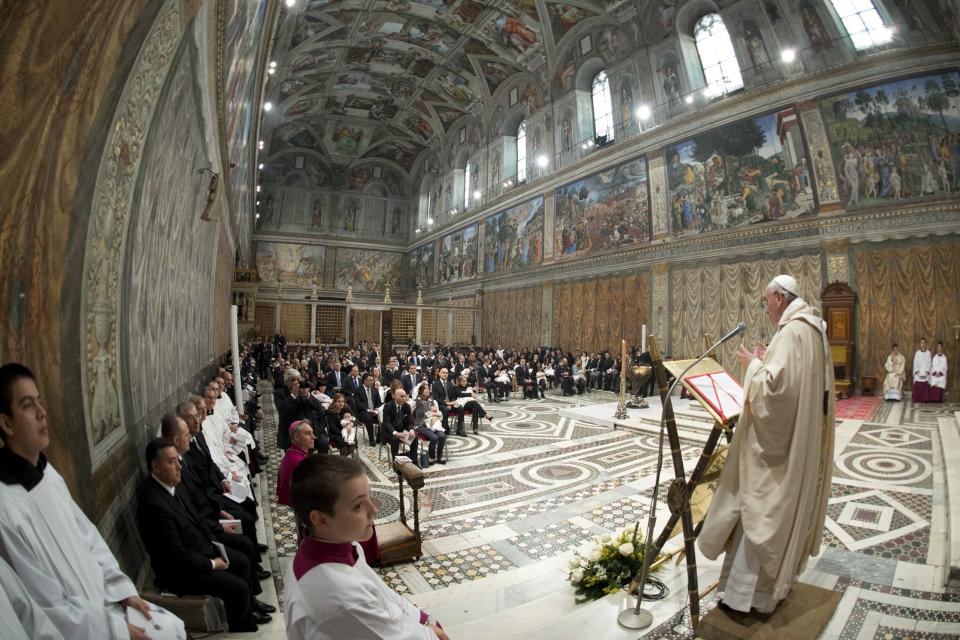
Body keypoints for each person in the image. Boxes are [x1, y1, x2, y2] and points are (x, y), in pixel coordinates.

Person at [0, 363, 175, 640]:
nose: (42, 413)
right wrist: (114, 630)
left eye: (40, 402)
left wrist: (122, 590)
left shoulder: (48, 474)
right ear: (6, 423)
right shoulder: (6, 509)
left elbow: (88, 537)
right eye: (27, 405)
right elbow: (45, 606)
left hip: (107, 611)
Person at [698, 275, 835, 614]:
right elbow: (792, 382)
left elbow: (774, 394)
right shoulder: (812, 330)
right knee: (771, 513)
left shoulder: (793, 332)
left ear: (778, 298)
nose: (764, 308)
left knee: (758, 513)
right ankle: (768, 591)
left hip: (776, 452)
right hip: (795, 442)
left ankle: (745, 598)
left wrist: (753, 364)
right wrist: (766, 361)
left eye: (765, 301)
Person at [284, 456, 447, 639]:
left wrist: (423, 619)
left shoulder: (343, 545)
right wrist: (430, 633)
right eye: (358, 505)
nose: (374, 509)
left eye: (369, 497)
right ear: (321, 519)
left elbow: (384, 596)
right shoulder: (338, 593)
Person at [137, 438, 271, 632]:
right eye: (171, 462)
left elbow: (195, 517)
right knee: (238, 586)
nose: (178, 467)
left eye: (178, 460)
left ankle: (248, 607)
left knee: (241, 560)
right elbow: (176, 556)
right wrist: (213, 563)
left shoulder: (173, 485)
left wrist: (215, 536)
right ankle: (240, 626)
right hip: (180, 572)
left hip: (199, 547)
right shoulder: (153, 504)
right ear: (156, 467)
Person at [275, 368, 326, 450]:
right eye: (293, 380)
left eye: (298, 380)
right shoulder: (279, 393)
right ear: (286, 382)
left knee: (323, 443)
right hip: (291, 430)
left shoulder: (302, 390)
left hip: (308, 427)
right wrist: (293, 395)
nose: (296, 382)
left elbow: (318, 408)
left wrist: (307, 396)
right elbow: (282, 410)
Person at [278, 420, 317, 506]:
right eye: (308, 433)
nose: (313, 437)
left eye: (312, 433)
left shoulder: (294, 451)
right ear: (296, 438)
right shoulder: (297, 461)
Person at [381, 388, 419, 463]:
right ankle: (396, 463)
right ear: (395, 396)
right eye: (401, 396)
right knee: (395, 439)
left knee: (414, 438)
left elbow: (410, 420)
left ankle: (414, 461)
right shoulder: (388, 406)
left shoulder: (406, 406)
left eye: (405, 396)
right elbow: (387, 423)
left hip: (401, 431)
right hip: (389, 431)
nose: (404, 398)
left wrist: (411, 429)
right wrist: (395, 433)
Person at [413, 385, 446, 465]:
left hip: (433, 424)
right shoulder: (415, 402)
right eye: (424, 389)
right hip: (421, 425)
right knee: (434, 438)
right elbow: (409, 412)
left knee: (442, 436)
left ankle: (439, 456)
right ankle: (431, 456)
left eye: (428, 389)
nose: (427, 390)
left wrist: (436, 419)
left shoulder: (433, 402)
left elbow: (438, 414)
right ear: (420, 391)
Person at [912, 338, 932, 403]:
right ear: (920, 344)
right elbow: (915, 363)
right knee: (917, 378)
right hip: (919, 372)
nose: (923, 344)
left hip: (926, 372)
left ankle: (925, 399)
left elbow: (929, 363)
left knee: (926, 379)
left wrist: (927, 371)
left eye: (924, 343)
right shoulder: (917, 353)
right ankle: (917, 398)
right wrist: (917, 370)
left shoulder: (928, 353)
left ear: (925, 344)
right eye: (921, 343)